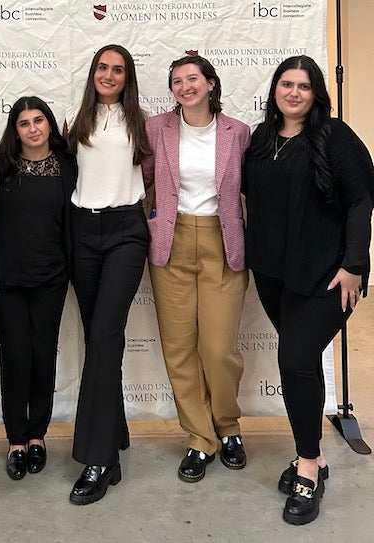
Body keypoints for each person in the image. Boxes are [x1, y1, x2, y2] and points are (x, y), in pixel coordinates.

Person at [243, 55, 374, 525]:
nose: (294, 92)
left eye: (303, 85)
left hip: (328, 275)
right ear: (275, 89)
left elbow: (361, 200)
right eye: (286, 84)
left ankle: (306, 467)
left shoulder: (335, 137)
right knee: (302, 365)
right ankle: (315, 456)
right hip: (274, 273)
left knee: (295, 360)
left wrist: (356, 265)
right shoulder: (261, 140)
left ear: (316, 92)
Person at [142, 55, 250, 483]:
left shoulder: (237, 132)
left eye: (192, 79)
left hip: (223, 244)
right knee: (180, 349)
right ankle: (199, 438)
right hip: (172, 245)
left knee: (219, 349)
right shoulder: (157, 129)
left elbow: (250, 188)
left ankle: (229, 427)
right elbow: (146, 180)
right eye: (176, 81)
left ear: (209, 84)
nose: (184, 87)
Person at [64, 44, 150, 505]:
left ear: (128, 76)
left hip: (125, 231)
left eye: (118, 69)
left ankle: (97, 459)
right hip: (82, 231)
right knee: (101, 340)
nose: (109, 75)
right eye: (103, 67)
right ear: (93, 72)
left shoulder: (142, 122)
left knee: (102, 337)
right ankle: (113, 437)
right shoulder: (73, 123)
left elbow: (160, 175)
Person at [0, 96, 77, 482]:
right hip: (6, 279)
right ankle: (15, 439)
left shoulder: (67, 168)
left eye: (39, 120)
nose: (33, 128)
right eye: (24, 123)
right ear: (16, 129)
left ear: (49, 124)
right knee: (16, 357)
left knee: (43, 355)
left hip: (51, 277)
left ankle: (38, 435)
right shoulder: (0, 167)